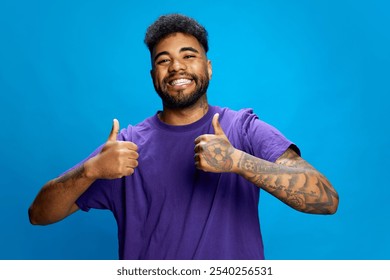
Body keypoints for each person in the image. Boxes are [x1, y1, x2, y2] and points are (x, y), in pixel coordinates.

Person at [28, 13, 339, 260]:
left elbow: (326, 199)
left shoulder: (243, 128)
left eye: (188, 56)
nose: (176, 66)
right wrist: (90, 169)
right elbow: (39, 214)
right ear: (154, 76)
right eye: (163, 60)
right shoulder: (126, 145)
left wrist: (237, 161)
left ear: (208, 67)